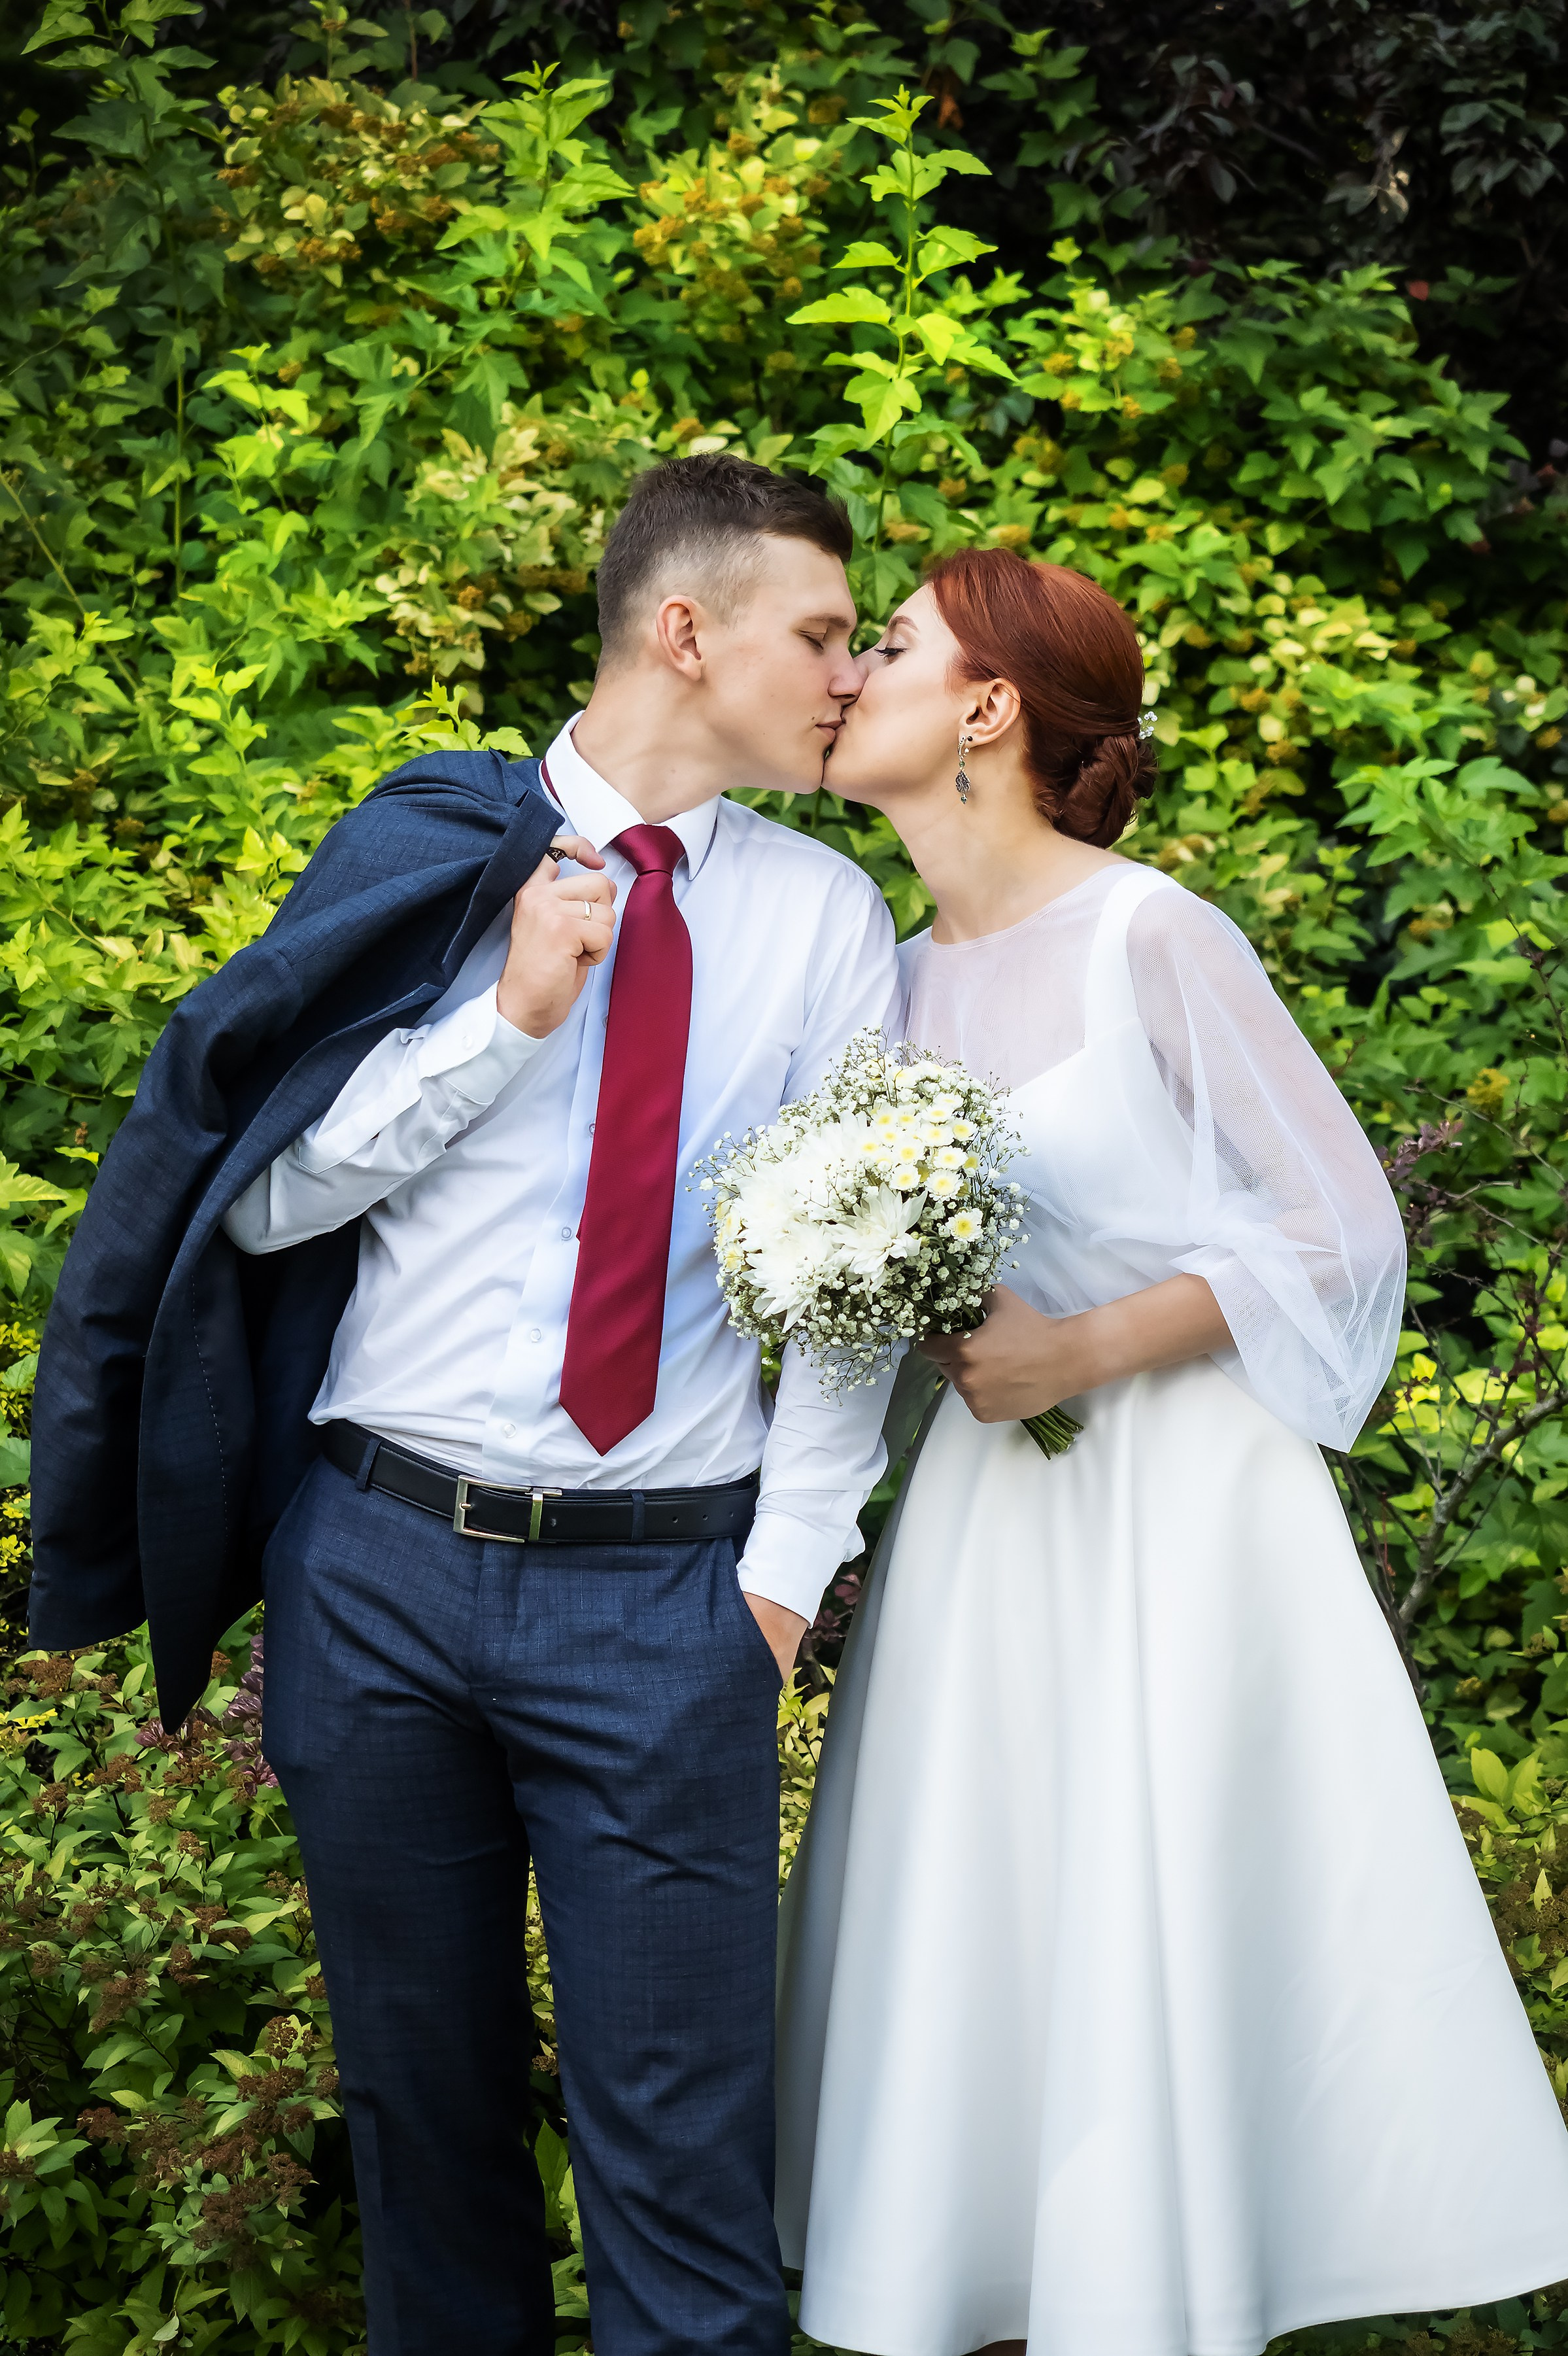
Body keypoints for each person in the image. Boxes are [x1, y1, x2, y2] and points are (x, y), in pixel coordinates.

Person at [31, 454, 900, 2356]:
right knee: (423, 2133)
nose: (850, 672)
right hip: (380, 1580)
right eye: (822, 632)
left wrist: (778, 1580)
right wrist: (500, 1023)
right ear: (690, 631)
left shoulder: (828, 922)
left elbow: (851, 1286)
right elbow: (250, 1196)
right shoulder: (436, 844)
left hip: (668, 1603)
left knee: (681, 2159)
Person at [775, 546, 1568, 2356]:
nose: (851, 672)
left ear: (987, 709)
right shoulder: (877, 981)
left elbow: (1340, 1223)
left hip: (1181, 1510)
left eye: (888, 645)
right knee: (999, 1923)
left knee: (1156, 1917)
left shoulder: (1153, 932)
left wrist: (1083, 1342)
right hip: (993, 1529)